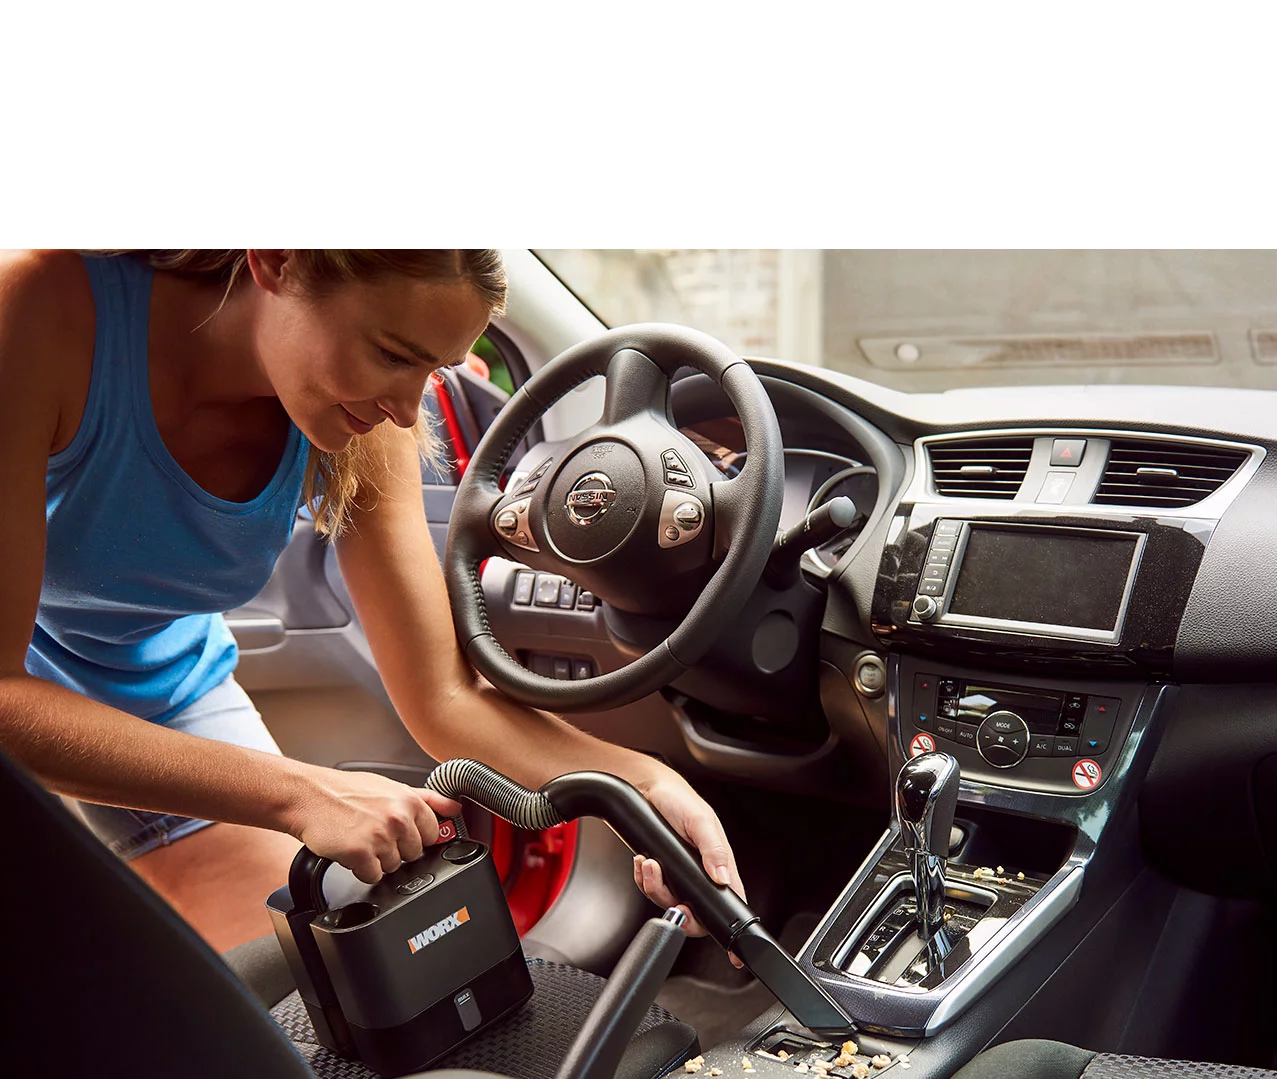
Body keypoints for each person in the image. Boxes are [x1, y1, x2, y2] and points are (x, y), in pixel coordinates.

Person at [0, 249, 743, 954]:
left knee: (303, 1002)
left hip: (161, 691)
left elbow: (444, 699)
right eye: (391, 354)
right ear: (277, 260)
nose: (407, 410)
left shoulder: (367, 415)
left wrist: (645, 788)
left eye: (432, 370)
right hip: (29, 696)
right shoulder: (37, 308)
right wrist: (302, 793)